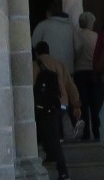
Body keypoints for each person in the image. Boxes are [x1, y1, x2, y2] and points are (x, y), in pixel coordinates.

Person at [33, 39, 82, 180]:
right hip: (61, 105)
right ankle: (51, 155)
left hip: (45, 106)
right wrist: (76, 104)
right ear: (48, 51)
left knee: (52, 137)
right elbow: (70, 85)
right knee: (51, 132)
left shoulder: (34, 65)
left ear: (37, 52)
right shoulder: (59, 64)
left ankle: (63, 172)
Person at [73, 11, 101, 138]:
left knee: (83, 103)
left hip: (80, 72)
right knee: (95, 104)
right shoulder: (96, 36)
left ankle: (85, 134)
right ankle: (97, 131)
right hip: (93, 72)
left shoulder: (77, 35)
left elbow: (75, 52)